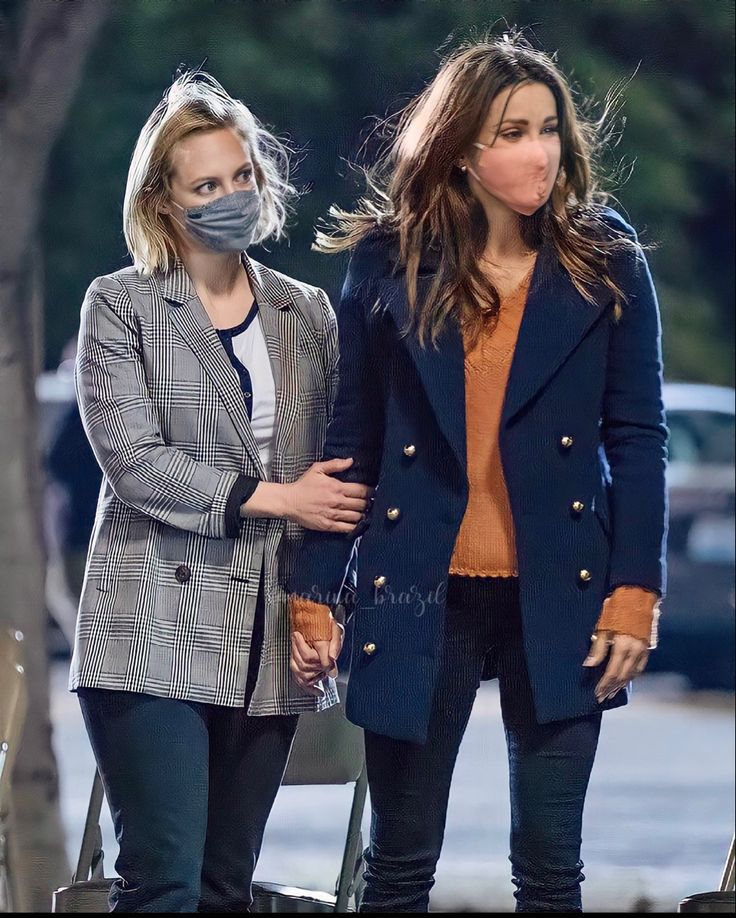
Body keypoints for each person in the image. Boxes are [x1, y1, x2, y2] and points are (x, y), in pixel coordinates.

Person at [287, 30, 668, 913]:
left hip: (563, 586)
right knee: (397, 867)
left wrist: (634, 594)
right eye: (511, 132)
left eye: (547, 128)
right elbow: (354, 440)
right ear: (461, 150)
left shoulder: (606, 257)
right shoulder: (390, 257)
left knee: (549, 871)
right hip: (420, 587)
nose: (540, 151)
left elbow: (638, 437)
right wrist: (313, 589)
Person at [69, 69, 370, 912]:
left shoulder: (305, 313)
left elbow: (338, 470)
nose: (231, 195)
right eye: (207, 184)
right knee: (163, 880)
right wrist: (281, 499)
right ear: (164, 202)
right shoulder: (121, 306)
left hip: (266, 635)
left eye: (242, 176)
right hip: (150, 629)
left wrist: (324, 600)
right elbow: (133, 462)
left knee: (224, 887)